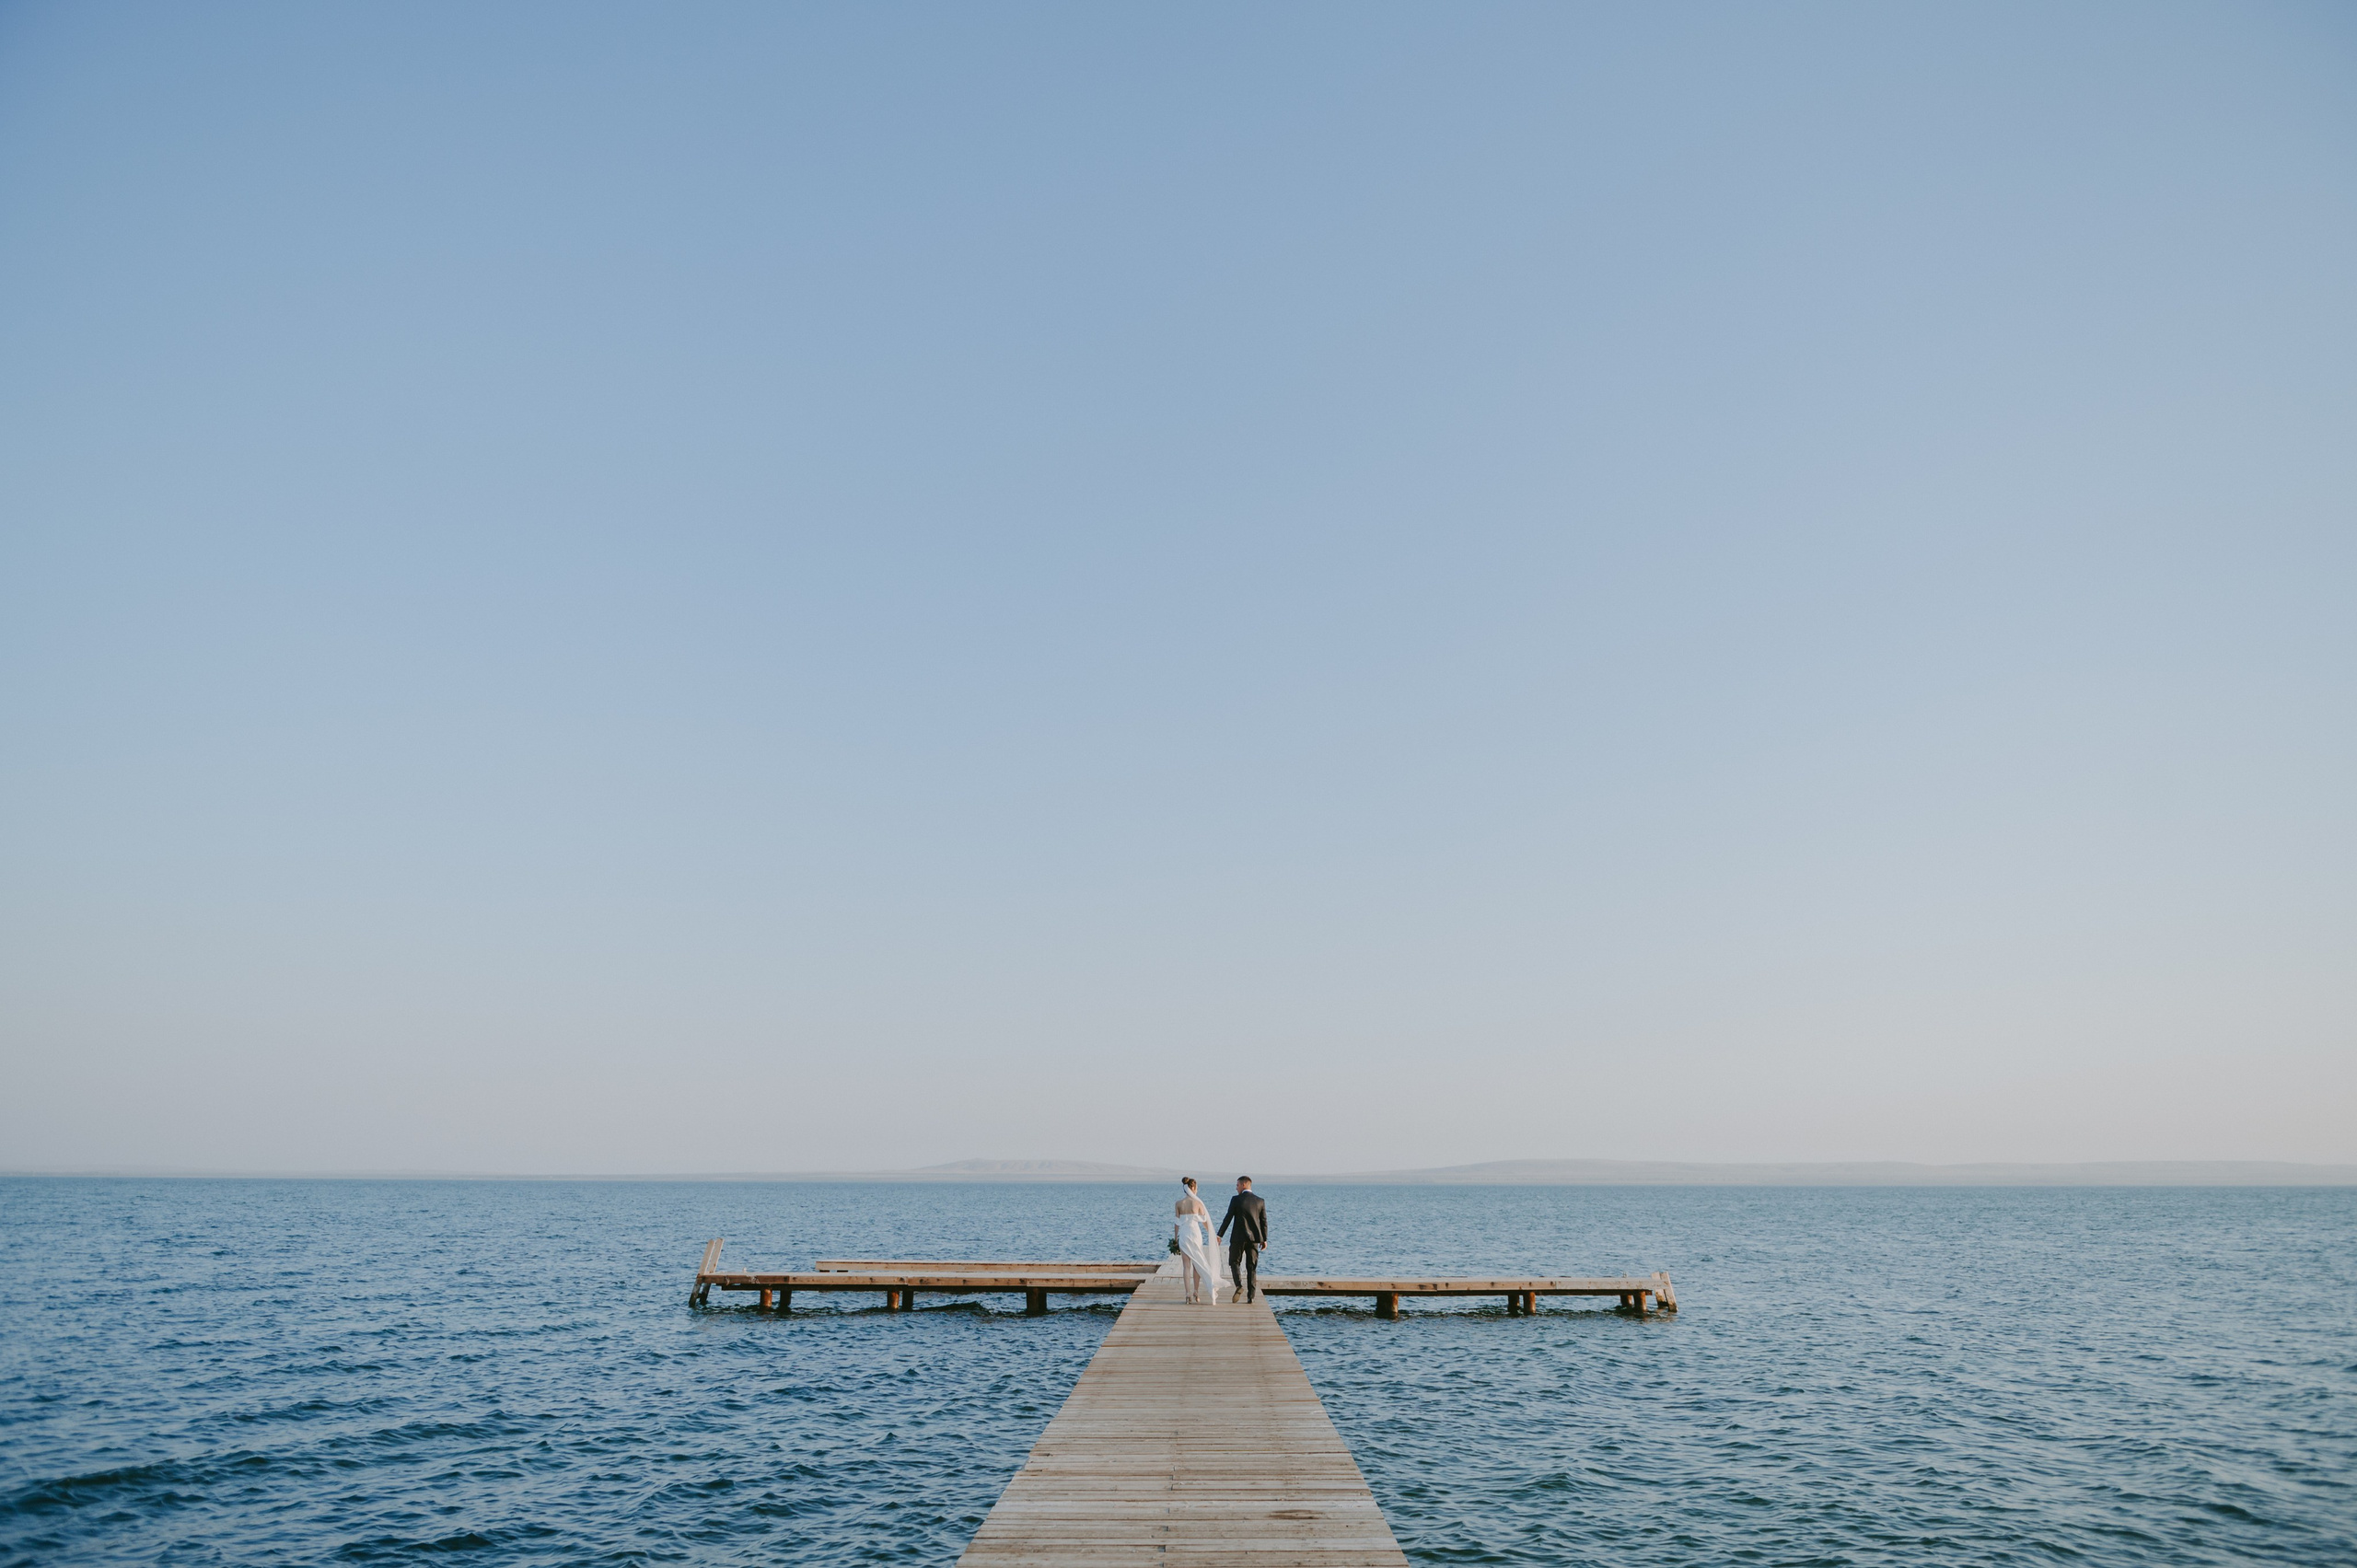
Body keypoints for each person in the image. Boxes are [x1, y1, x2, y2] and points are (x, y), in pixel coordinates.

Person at [1171, 1178, 1226, 1304]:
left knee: (1186, 1266)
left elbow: (1176, 1223)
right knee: (1197, 1264)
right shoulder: (1198, 1203)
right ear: (1194, 1188)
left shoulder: (1178, 1203)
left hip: (1184, 1235)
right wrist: (1214, 1235)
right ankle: (1196, 1291)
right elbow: (1205, 1223)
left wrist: (1175, 1238)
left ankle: (1187, 1294)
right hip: (1195, 1235)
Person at [1216, 1176, 1268, 1304]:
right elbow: (1263, 1222)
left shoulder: (1236, 1200)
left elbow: (1228, 1218)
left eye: (1237, 1185)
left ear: (1244, 1184)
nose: (1236, 1187)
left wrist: (1219, 1235)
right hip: (1254, 1239)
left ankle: (1239, 1285)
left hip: (1238, 1238)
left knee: (1234, 1262)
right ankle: (1251, 1297)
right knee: (1251, 1267)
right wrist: (1264, 1239)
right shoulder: (1260, 1201)